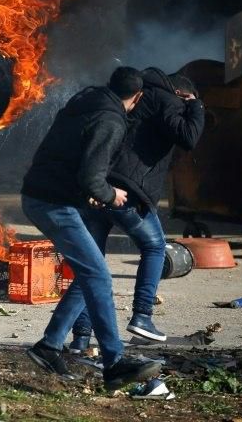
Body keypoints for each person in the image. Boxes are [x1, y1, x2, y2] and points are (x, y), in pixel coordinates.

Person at [21, 66, 162, 390]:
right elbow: (91, 176)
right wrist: (110, 194)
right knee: (98, 275)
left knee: (90, 273)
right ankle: (114, 364)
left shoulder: (87, 101)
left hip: (45, 196)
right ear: (137, 97)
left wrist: (90, 194)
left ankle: (50, 346)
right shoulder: (111, 121)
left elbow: (73, 161)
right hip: (52, 203)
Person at [68, 68, 204, 352]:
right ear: (181, 92)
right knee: (154, 247)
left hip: (96, 184)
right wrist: (195, 105)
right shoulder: (170, 101)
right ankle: (142, 316)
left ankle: (81, 338)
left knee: (92, 265)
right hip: (127, 190)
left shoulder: (132, 96)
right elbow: (189, 137)